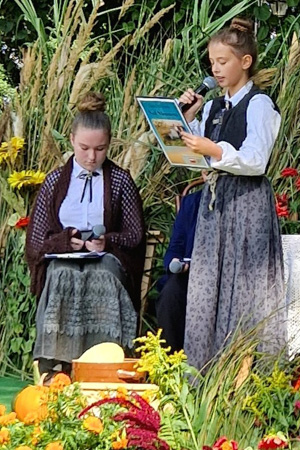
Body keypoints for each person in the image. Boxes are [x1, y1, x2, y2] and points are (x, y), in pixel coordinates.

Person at [177, 17, 284, 369]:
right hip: (215, 203)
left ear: (246, 61)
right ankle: (203, 375)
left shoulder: (259, 104)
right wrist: (187, 121)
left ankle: (247, 375)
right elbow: (194, 156)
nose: (215, 69)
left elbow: (256, 160)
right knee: (208, 287)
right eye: (212, 62)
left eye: (223, 61)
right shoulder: (211, 107)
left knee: (244, 290)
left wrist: (213, 148)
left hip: (247, 204)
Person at [25, 92, 145, 374]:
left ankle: (106, 364)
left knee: (102, 275)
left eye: (100, 149)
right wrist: (64, 241)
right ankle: (57, 366)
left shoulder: (120, 180)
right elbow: (34, 243)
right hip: (65, 258)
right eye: (84, 148)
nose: (92, 157)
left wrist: (108, 240)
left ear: (109, 144)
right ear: (71, 141)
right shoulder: (55, 182)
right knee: (62, 274)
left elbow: (135, 234)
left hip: (106, 257)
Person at [155, 189, 202, 353]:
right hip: (189, 272)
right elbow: (176, 245)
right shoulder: (191, 202)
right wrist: (175, 261)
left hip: (221, 274)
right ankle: (171, 360)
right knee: (171, 292)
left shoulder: (236, 202)